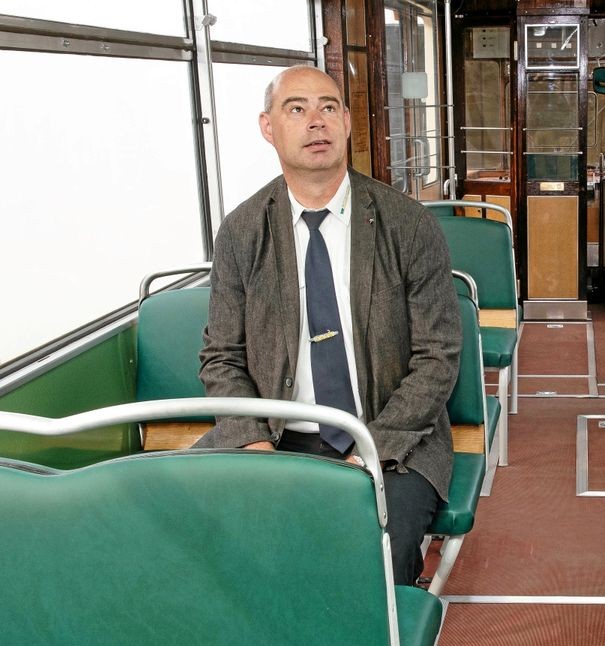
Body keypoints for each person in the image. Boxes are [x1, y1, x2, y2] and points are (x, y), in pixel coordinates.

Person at [197, 64, 461, 587]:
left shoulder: (407, 225)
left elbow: (438, 358)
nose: (315, 120)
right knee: (194, 531)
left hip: (391, 441)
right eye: (296, 108)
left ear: (346, 123)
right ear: (268, 127)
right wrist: (254, 447)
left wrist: (372, 450)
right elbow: (221, 357)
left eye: (328, 107)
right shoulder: (242, 232)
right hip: (276, 439)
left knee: (373, 557)